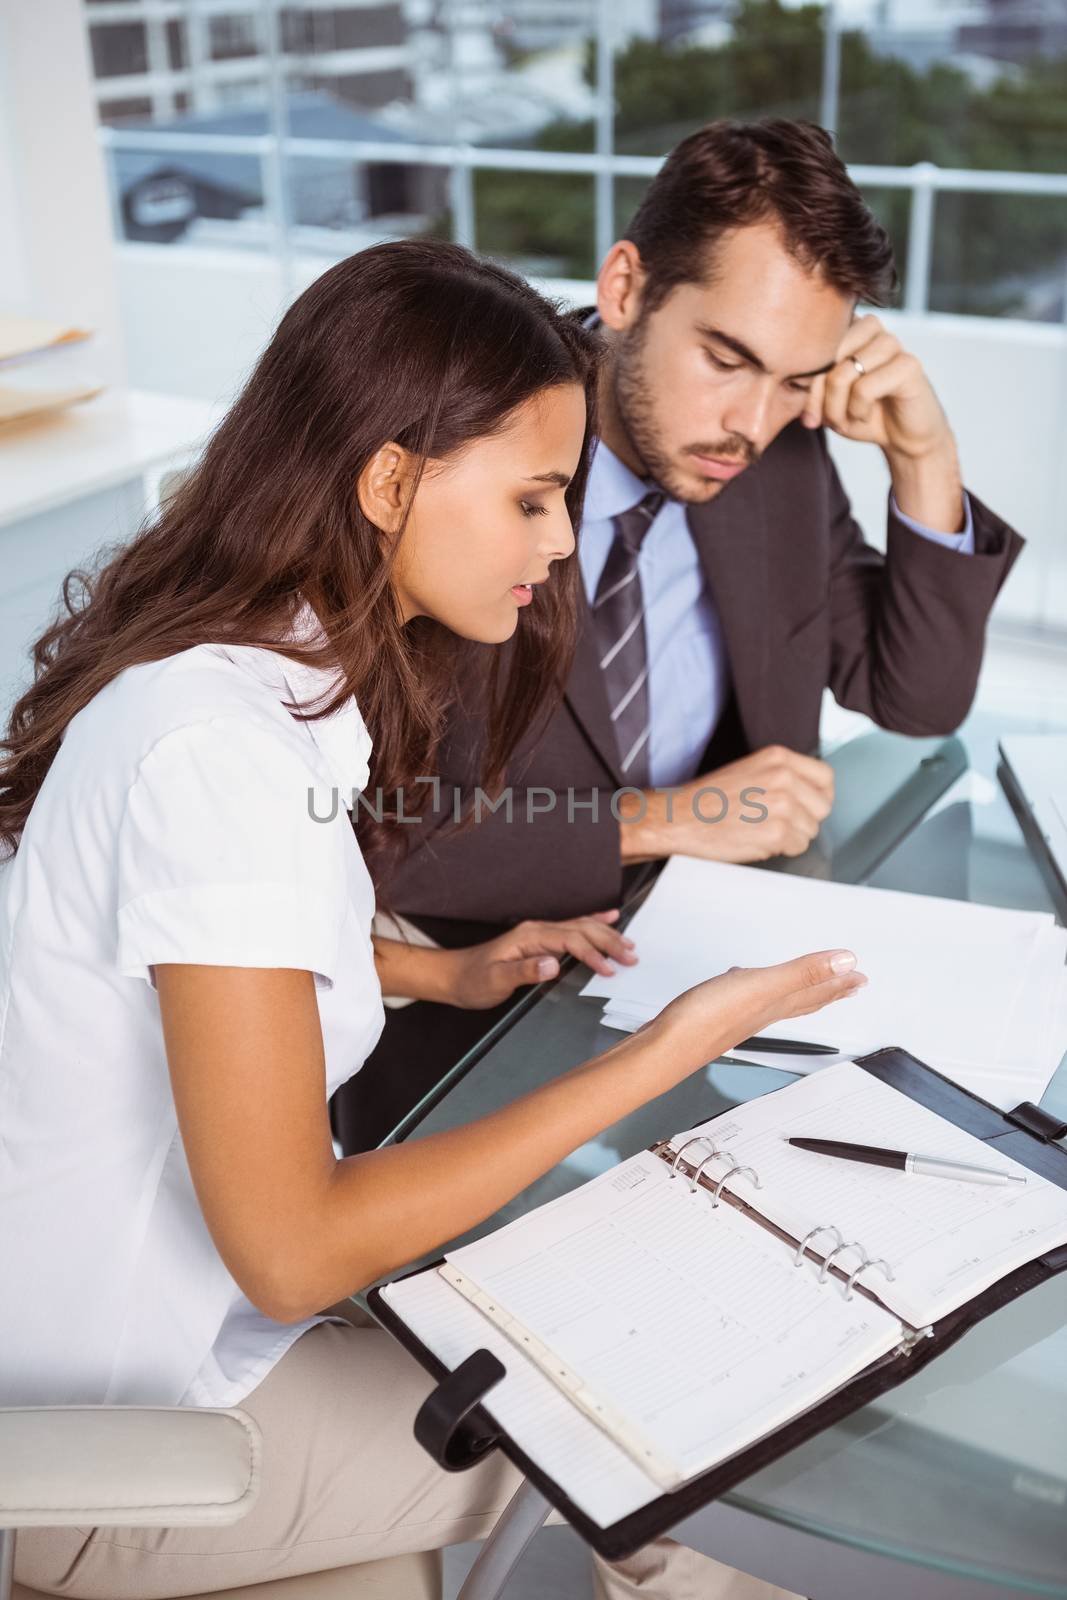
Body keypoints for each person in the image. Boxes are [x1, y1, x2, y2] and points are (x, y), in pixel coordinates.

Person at [0, 238, 866, 1600]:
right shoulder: (217, 752)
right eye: (531, 499)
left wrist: (433, 973)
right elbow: (293, 1254)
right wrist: (662, 1050)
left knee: (584, 1313)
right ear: (390, 482)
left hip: (154, 1349)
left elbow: (205, 954)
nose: (562, 540)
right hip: (131, 1430)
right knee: (663, 1421)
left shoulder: (258, 682)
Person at [333, 117, 1024, 1153]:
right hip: (472, 1024)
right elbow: (366, 835)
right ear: (624, 290)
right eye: (725, 358)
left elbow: (913, 697)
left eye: (796, 379)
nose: (751, 420)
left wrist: (921, 456)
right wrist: (658, 818)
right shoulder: (467, 462)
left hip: (716, 983)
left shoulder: (775, 465)